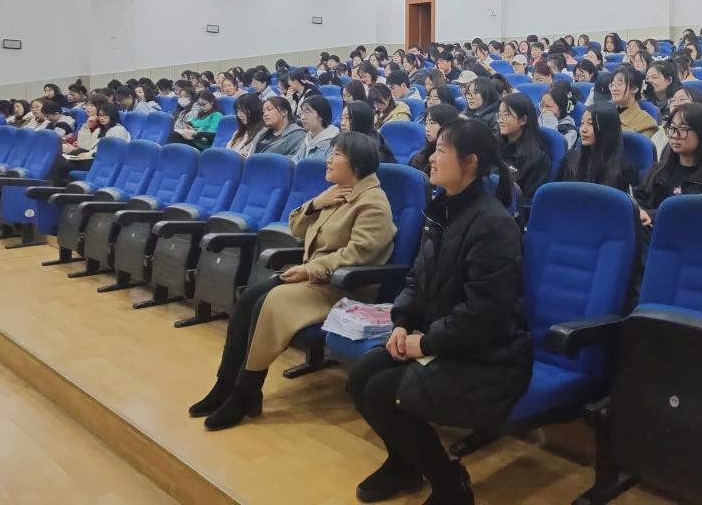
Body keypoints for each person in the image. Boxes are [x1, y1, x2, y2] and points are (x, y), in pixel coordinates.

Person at [348, 119, 531, 505]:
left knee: (383, 391)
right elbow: (417, 279)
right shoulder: (442, 211)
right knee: (362, 376)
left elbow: (485, 313)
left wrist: (427, 342)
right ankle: (404, 464)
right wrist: (403, 323)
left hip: (489, 356)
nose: (431, 158)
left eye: (442, 151)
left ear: (470, 162)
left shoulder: (493, 225)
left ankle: (451, 486)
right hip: (445, 341)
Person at [190, 132, 396, 431]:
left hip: (344, 288)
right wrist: (316, 204)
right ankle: (224, 384)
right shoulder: (338, 192)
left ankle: (246, 392)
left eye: (336, 154)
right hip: (317, 280)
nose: (328, 159)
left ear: (357, 164)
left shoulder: (373, 203)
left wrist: (310, 270)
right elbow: (297, 228)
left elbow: (359, 254)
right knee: (249, 299)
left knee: (270, 302)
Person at [635, 104, 702, 228]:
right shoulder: (659, 170)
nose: (675, 135)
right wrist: (639, 211)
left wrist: (653, 215)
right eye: (672, 128)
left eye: (683, 129)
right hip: (652, 232)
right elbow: (639, 199)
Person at [557, 102, 637, 191]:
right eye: (582, 123)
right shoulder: (572, 159)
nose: (583, 129)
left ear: (607, 128)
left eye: (591, 123)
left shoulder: (623, 169)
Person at [49, 102, 131, 183]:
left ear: (112, 116)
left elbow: (109, 152)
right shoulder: (100, 130)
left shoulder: (118, 130)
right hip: (94, 158)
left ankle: (52, 186)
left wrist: (88, 154)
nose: (102, 118)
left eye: (105, 115)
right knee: (59, 160)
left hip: (103, 162)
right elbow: (84, 145)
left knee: (62, 165)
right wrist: (87, 126)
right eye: (100, 115)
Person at [497, 93, 550, 216]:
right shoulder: (494, 145)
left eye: (506, 115)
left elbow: (529, 202)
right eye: (499, 115)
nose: (500, 120)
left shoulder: (537, 158)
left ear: (523, 120)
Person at [408, 104, 460, 177]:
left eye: (432, 123)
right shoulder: (421, 155)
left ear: (447, 125)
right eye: (426, 123)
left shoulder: (456, 159)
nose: (427, 128)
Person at [609, 65, 657, 140]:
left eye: (619, 84)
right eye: (612, 84)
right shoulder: (606, 114)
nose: (614, 89)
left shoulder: (646, 123)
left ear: (634, 89)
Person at [291, 95, 340, 162]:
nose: (302, 117)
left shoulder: (333, 143)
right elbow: (296, 160)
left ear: (321, 115)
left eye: (307, 112)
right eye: (301, 112)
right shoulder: (309, 136)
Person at [538, 81, 579, 152]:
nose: (544, 110)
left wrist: (550, 126)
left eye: (548, 106)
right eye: (542, 106)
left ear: (561, 107)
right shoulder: (539, 119)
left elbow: (556, 150)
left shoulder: (570, 131)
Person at [227, 94, 263, 158]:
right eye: (238, 111)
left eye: (243, 111)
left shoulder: (262, 134)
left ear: (254, 110)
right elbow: (227, 151)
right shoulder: (239, 132)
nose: (239, 115)